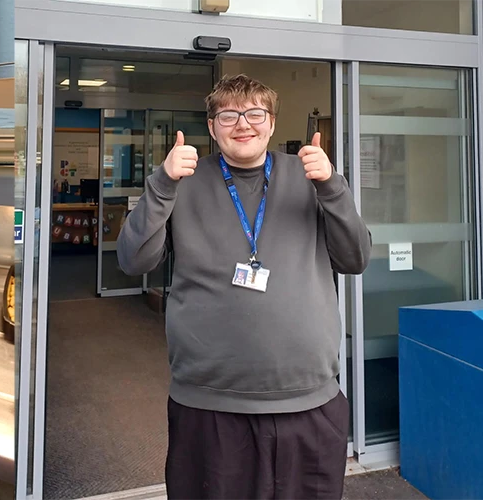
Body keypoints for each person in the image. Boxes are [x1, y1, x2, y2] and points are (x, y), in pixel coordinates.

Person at [117, 74, 372, 499]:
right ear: (213, 126)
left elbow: (355, 258)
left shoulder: (311, 177)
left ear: (271, 124)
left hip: (307, 401)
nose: (243, 124)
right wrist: (161, 184)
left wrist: (332, 187)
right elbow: (132, 260)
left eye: (255, 113)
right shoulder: (182, 182)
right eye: (229, 115)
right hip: (209, 403)